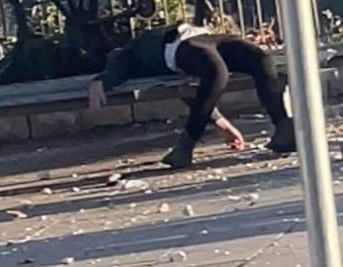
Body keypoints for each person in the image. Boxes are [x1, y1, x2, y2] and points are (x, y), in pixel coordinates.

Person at [88, 22, 296, 169]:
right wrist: (102, 80)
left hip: (209, 37)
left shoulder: (139, 43)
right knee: (217, 72)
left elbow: (193, 94)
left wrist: (223, 124)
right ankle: (185, 146)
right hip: (182, 46)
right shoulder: (127, 54)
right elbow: (117, 64)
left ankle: (283, 128)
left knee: (261, 59)